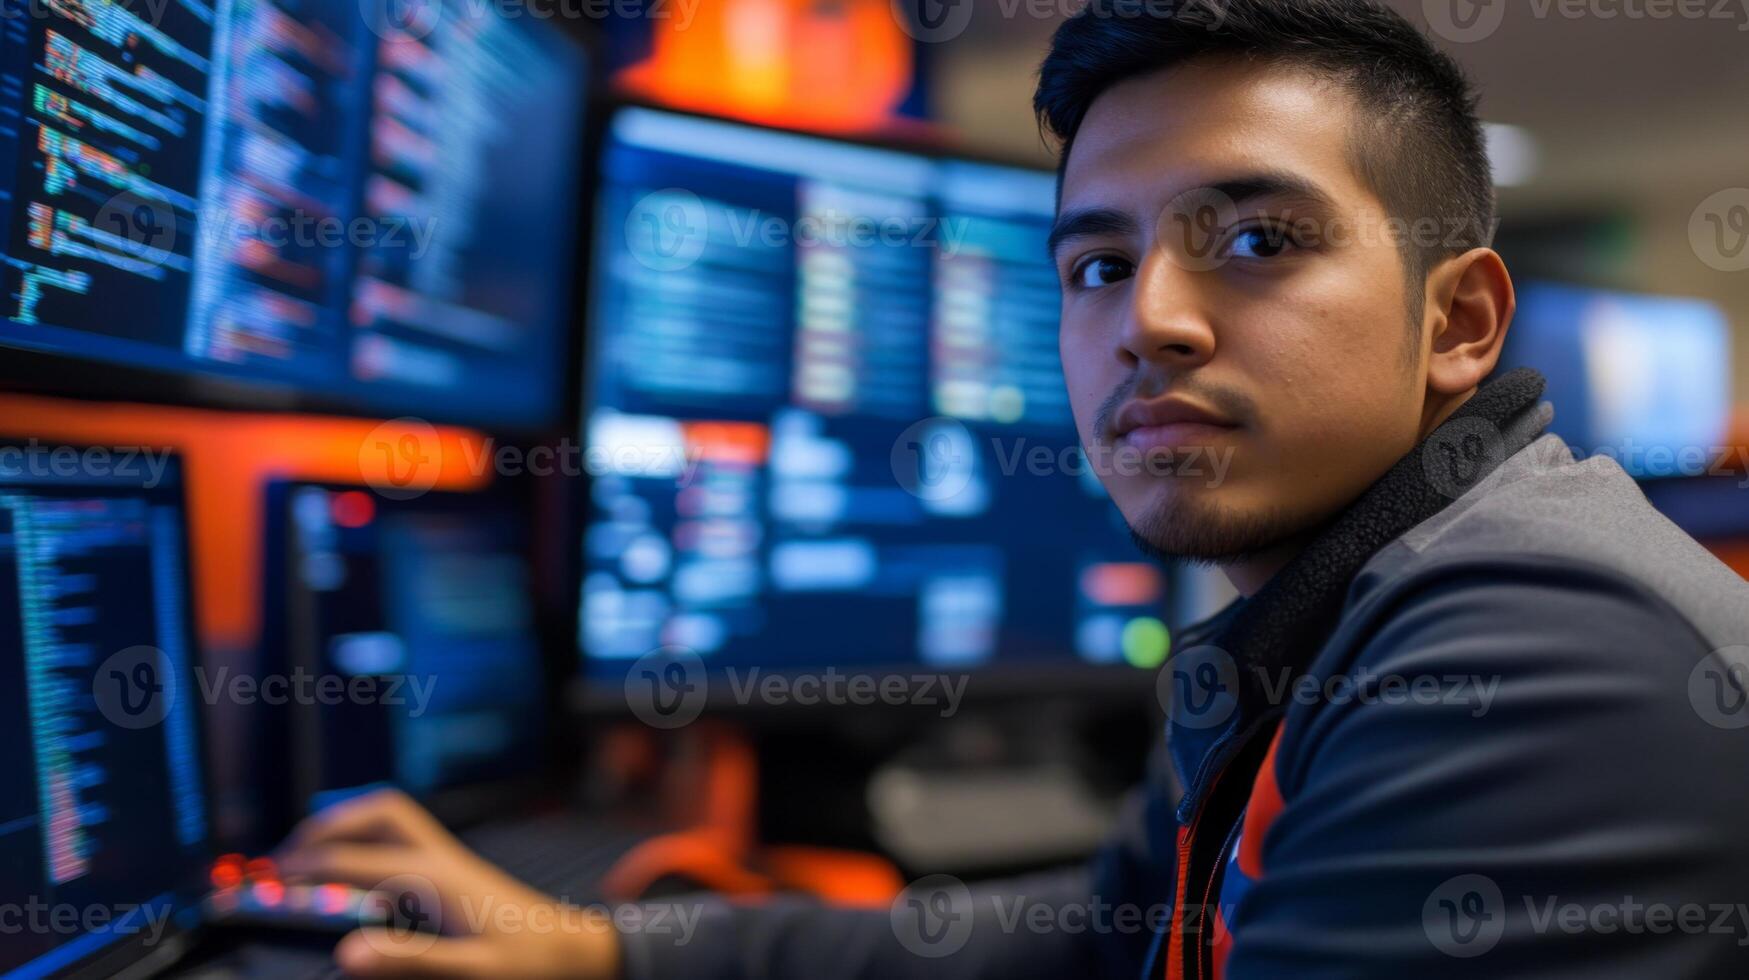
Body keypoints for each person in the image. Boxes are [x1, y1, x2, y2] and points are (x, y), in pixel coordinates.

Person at [280, 1, 1749, 976]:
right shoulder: (1326, 618)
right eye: (1097, 265)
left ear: (1459, 322)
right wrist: (602, 951)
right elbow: (1077, 935)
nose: (1149, 320)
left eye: (1253, 240)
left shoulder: (1535, 653)